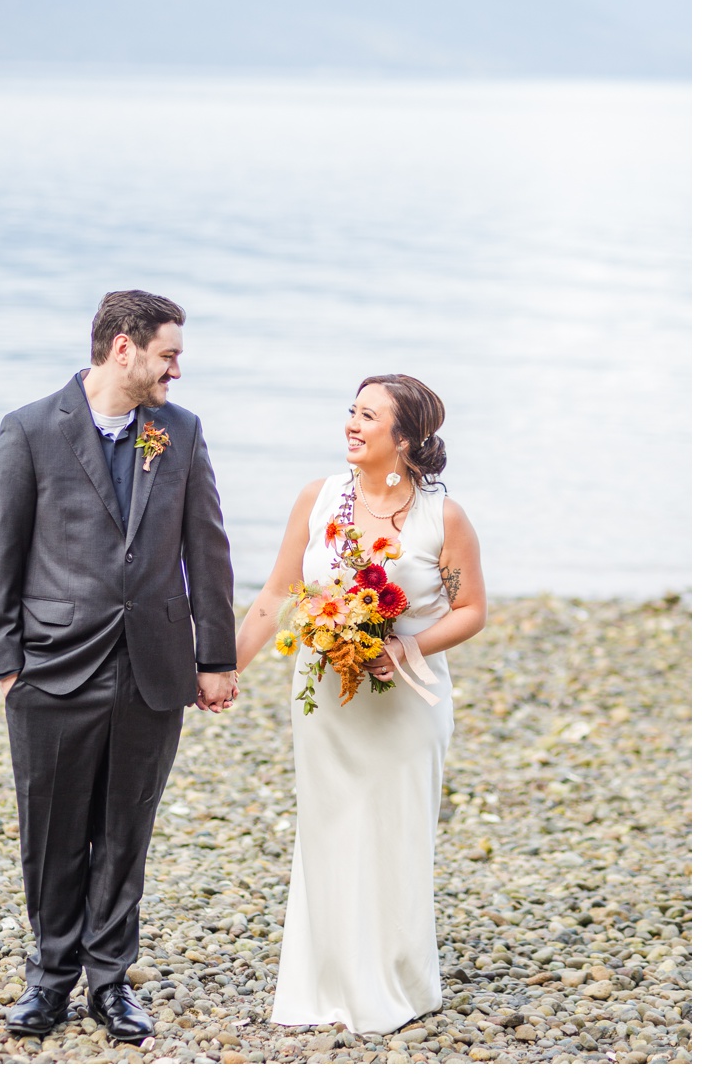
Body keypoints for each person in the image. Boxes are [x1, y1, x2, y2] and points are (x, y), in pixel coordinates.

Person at [0, 289, 238, 1043]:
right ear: (124, 349)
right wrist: (6, 664)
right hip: (52, 668)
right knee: (52, 830)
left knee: (127, 828)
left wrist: (213, 656)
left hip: (153, 667)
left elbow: (206, 550)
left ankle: (110, 983)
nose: (176, 371)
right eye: (169, 355)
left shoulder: (180, 433)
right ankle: (50, 978)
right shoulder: (28, 429)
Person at [235, 375, 486, 1035]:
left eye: (368, 416)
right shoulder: (318, 500)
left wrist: (406, 646)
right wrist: (224, 669)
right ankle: (322, 985)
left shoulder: (443, 517)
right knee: (328, 830)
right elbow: (276, 594)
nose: (351, 423)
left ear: (404, 438)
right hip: (324, 696)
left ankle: (398, 983)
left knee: (395, 832)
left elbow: (470, 611)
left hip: (406, 702)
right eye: (351, 411)